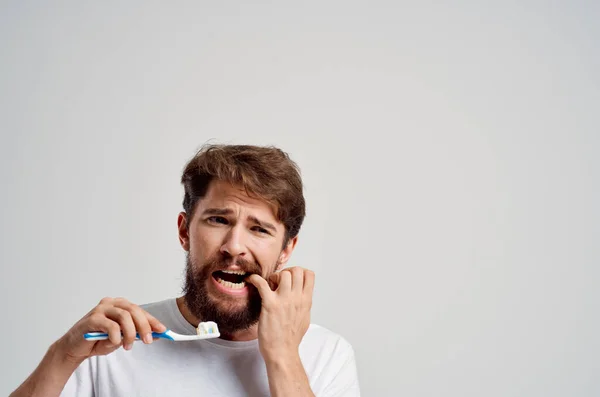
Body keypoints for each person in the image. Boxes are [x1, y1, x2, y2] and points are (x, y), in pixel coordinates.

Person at [10, 144, 360, 397]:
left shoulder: (327, 354)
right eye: (218, 219)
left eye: (259, 229)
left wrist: (283, 356)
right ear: (184, 231)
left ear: (286, 250)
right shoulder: (113, 346)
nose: (234, 245)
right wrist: (63, 356)